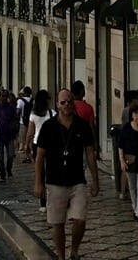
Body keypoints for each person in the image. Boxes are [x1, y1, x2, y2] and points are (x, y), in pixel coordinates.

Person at [34, 88, 99, 260]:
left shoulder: (82, 125)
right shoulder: (48, 127)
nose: (67, 105)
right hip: (55, 182)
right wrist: (38, 183)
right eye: (63, 102)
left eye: (69, 101)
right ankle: (61, 256)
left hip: (77, 181)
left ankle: (74, 250)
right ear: (57, 104)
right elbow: (40, 156)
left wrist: (95, 180)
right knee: (58, 223)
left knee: (80, 219)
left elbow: (90, 153)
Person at [24, 88, 55, 212]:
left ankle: (43, 203)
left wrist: (26, 145)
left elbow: (30, 132)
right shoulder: (52, 113)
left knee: (40, 173)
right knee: (51, 172)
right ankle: (52, 199)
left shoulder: (33, 114)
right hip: (51, 145)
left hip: (37, 144)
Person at [0, 89, 19, 183]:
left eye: (5, 96)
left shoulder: (11, 107)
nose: (4, 98)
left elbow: (15, 120)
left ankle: (8, 169)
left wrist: (15, 132)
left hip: (10, 135)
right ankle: (2, 173)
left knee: (10, 155)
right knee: (0, 156)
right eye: (2, 96)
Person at [17, 86, 33, 155]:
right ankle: (31, 150)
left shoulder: (20, 101)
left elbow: (18, 111)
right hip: (31, 121)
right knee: (31, 137)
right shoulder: (33, 100)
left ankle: (24, 150)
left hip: (22, 121)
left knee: (23, 138)